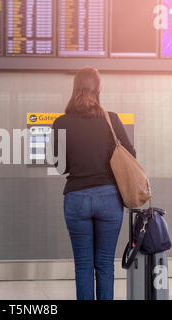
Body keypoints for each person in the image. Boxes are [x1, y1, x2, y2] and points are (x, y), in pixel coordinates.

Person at [52, 67, 136, 300]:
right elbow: (131, 154)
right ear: (99, 89)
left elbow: (60, 167)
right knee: (105, 264)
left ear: (75, 89)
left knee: (83, 265)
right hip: (109, 198)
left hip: (76, 198)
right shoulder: (112, 119)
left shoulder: (61, 123)